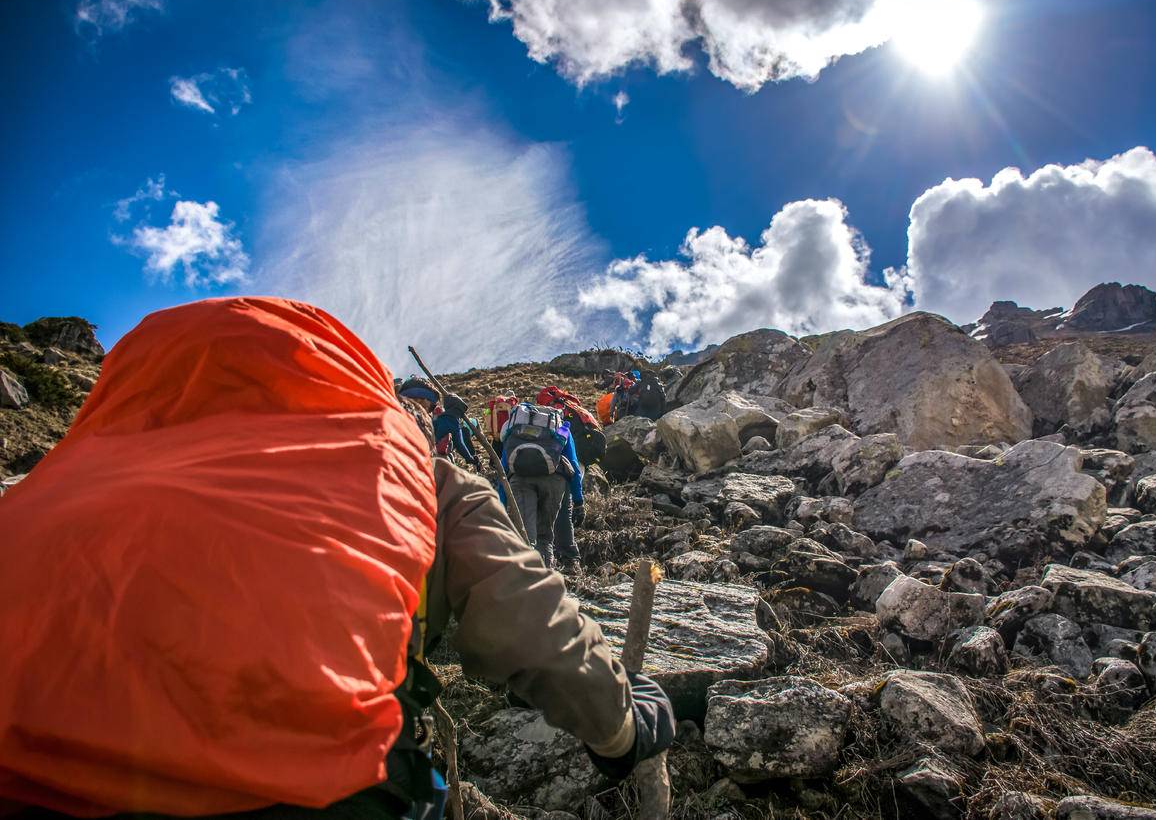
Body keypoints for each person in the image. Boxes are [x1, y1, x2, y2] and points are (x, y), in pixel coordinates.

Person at [0, 297, 674, 820]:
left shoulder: (45, 487)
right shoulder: (406, 464)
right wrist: (618, 727)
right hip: (311, 785)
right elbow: (526, 615)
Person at [500, 403, 584, 570]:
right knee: (545, 536)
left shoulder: (515, 428)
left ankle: (526, 577)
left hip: (520, 479)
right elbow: (573, 465)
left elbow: (503, 468)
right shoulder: (560, 428)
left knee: (525, 536)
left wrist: (500, 504)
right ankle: (546, 577)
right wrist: (578, 499)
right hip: (554, 481)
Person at [432, 394, 481, 470]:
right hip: (442, 456)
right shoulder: (454, 424)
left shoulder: (439, 419)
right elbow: (460, 445)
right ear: (458, 411)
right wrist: (471, 459)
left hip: (431, 454)